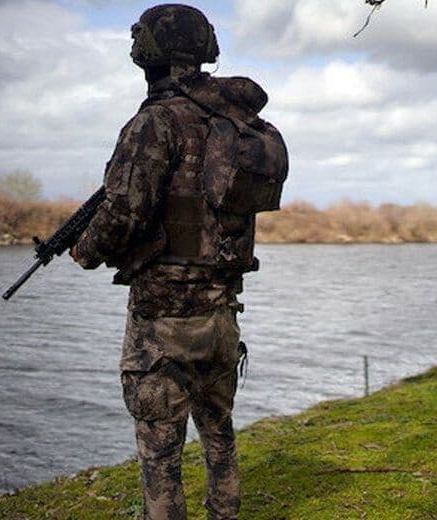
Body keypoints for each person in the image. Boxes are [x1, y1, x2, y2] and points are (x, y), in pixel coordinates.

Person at [70, 5, 287, 519]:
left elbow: (123, 213)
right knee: (219, 432)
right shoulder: (234, 120)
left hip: (163, 320)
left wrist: (84, 251)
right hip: (222, 314)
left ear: (149, 52)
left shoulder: (156, 121)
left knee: (161, 453)